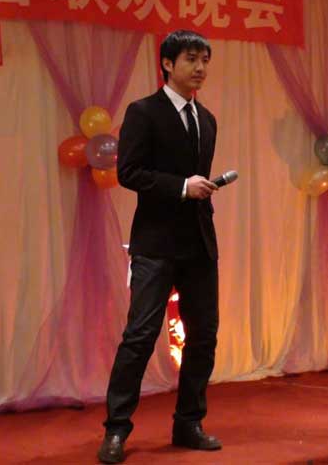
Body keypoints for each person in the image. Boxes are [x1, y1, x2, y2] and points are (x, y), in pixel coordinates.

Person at [97, 30, 221, 464]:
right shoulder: (143, 112)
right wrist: (182, 187)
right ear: (167, 64)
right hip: (155, 243)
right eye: (191, 59)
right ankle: (116, 430)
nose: (200, 68)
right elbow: (129, 173)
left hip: (199, 244)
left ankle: (189, 422)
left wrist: (200, 190)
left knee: (203, 335)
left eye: (204, 60)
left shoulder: (207, 119)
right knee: (140, 335)